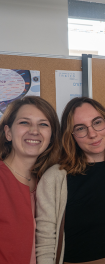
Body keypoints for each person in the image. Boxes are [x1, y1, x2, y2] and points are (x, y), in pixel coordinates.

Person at [35, 97, 105, 264]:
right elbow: (45, 238)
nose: (92, 134)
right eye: (80, 128)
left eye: (97, 122)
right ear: (71, 135)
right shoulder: (54, 178)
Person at [0, 96, 61, 264]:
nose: (34, 131)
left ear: (51, 137)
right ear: (8, 133)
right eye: (24, 122)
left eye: (43, 124)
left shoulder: (51, 182)